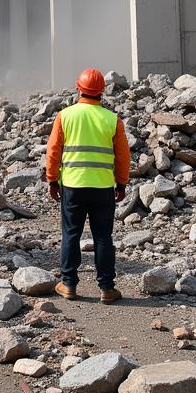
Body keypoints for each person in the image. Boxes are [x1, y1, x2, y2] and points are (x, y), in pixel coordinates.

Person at [46, 68, 130, 304]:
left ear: (78, 88)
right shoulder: (112, 119)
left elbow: (53, 151)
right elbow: (123, 156)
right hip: (103, 187)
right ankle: (106, 288)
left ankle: (69, 284)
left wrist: (52, 179)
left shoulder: (65, 116)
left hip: (72, 185)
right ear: (102, 92)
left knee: (71, 234)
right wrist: (121, 183)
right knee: (103, 237)